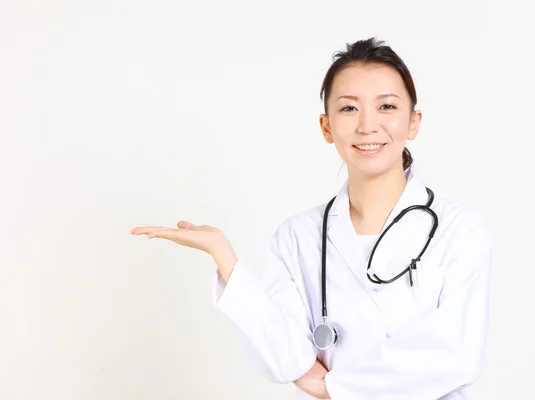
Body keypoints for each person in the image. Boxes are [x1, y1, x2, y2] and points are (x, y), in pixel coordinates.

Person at [130, 37, 494, 400]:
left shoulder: (459, 229)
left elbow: (455, 355)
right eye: (349, 109)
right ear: (326, 126)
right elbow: (283, 358)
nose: (368, 125)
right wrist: (225, 258)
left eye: (386, 106)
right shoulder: (298, 236)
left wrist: (332, 386)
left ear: (413, 122)